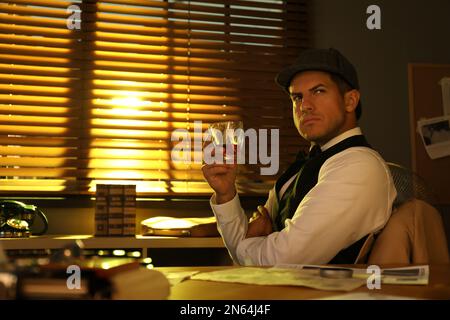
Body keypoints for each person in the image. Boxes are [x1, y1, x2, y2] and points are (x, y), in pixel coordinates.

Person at [202, 48, 397, 266]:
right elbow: (251, 251)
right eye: (297, 97)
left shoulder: (359, 166)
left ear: (350, 101)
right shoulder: (300, 169)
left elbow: (283, 258)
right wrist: (226, 193)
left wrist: (248, 246)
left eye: (319, 91)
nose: (304, 106)